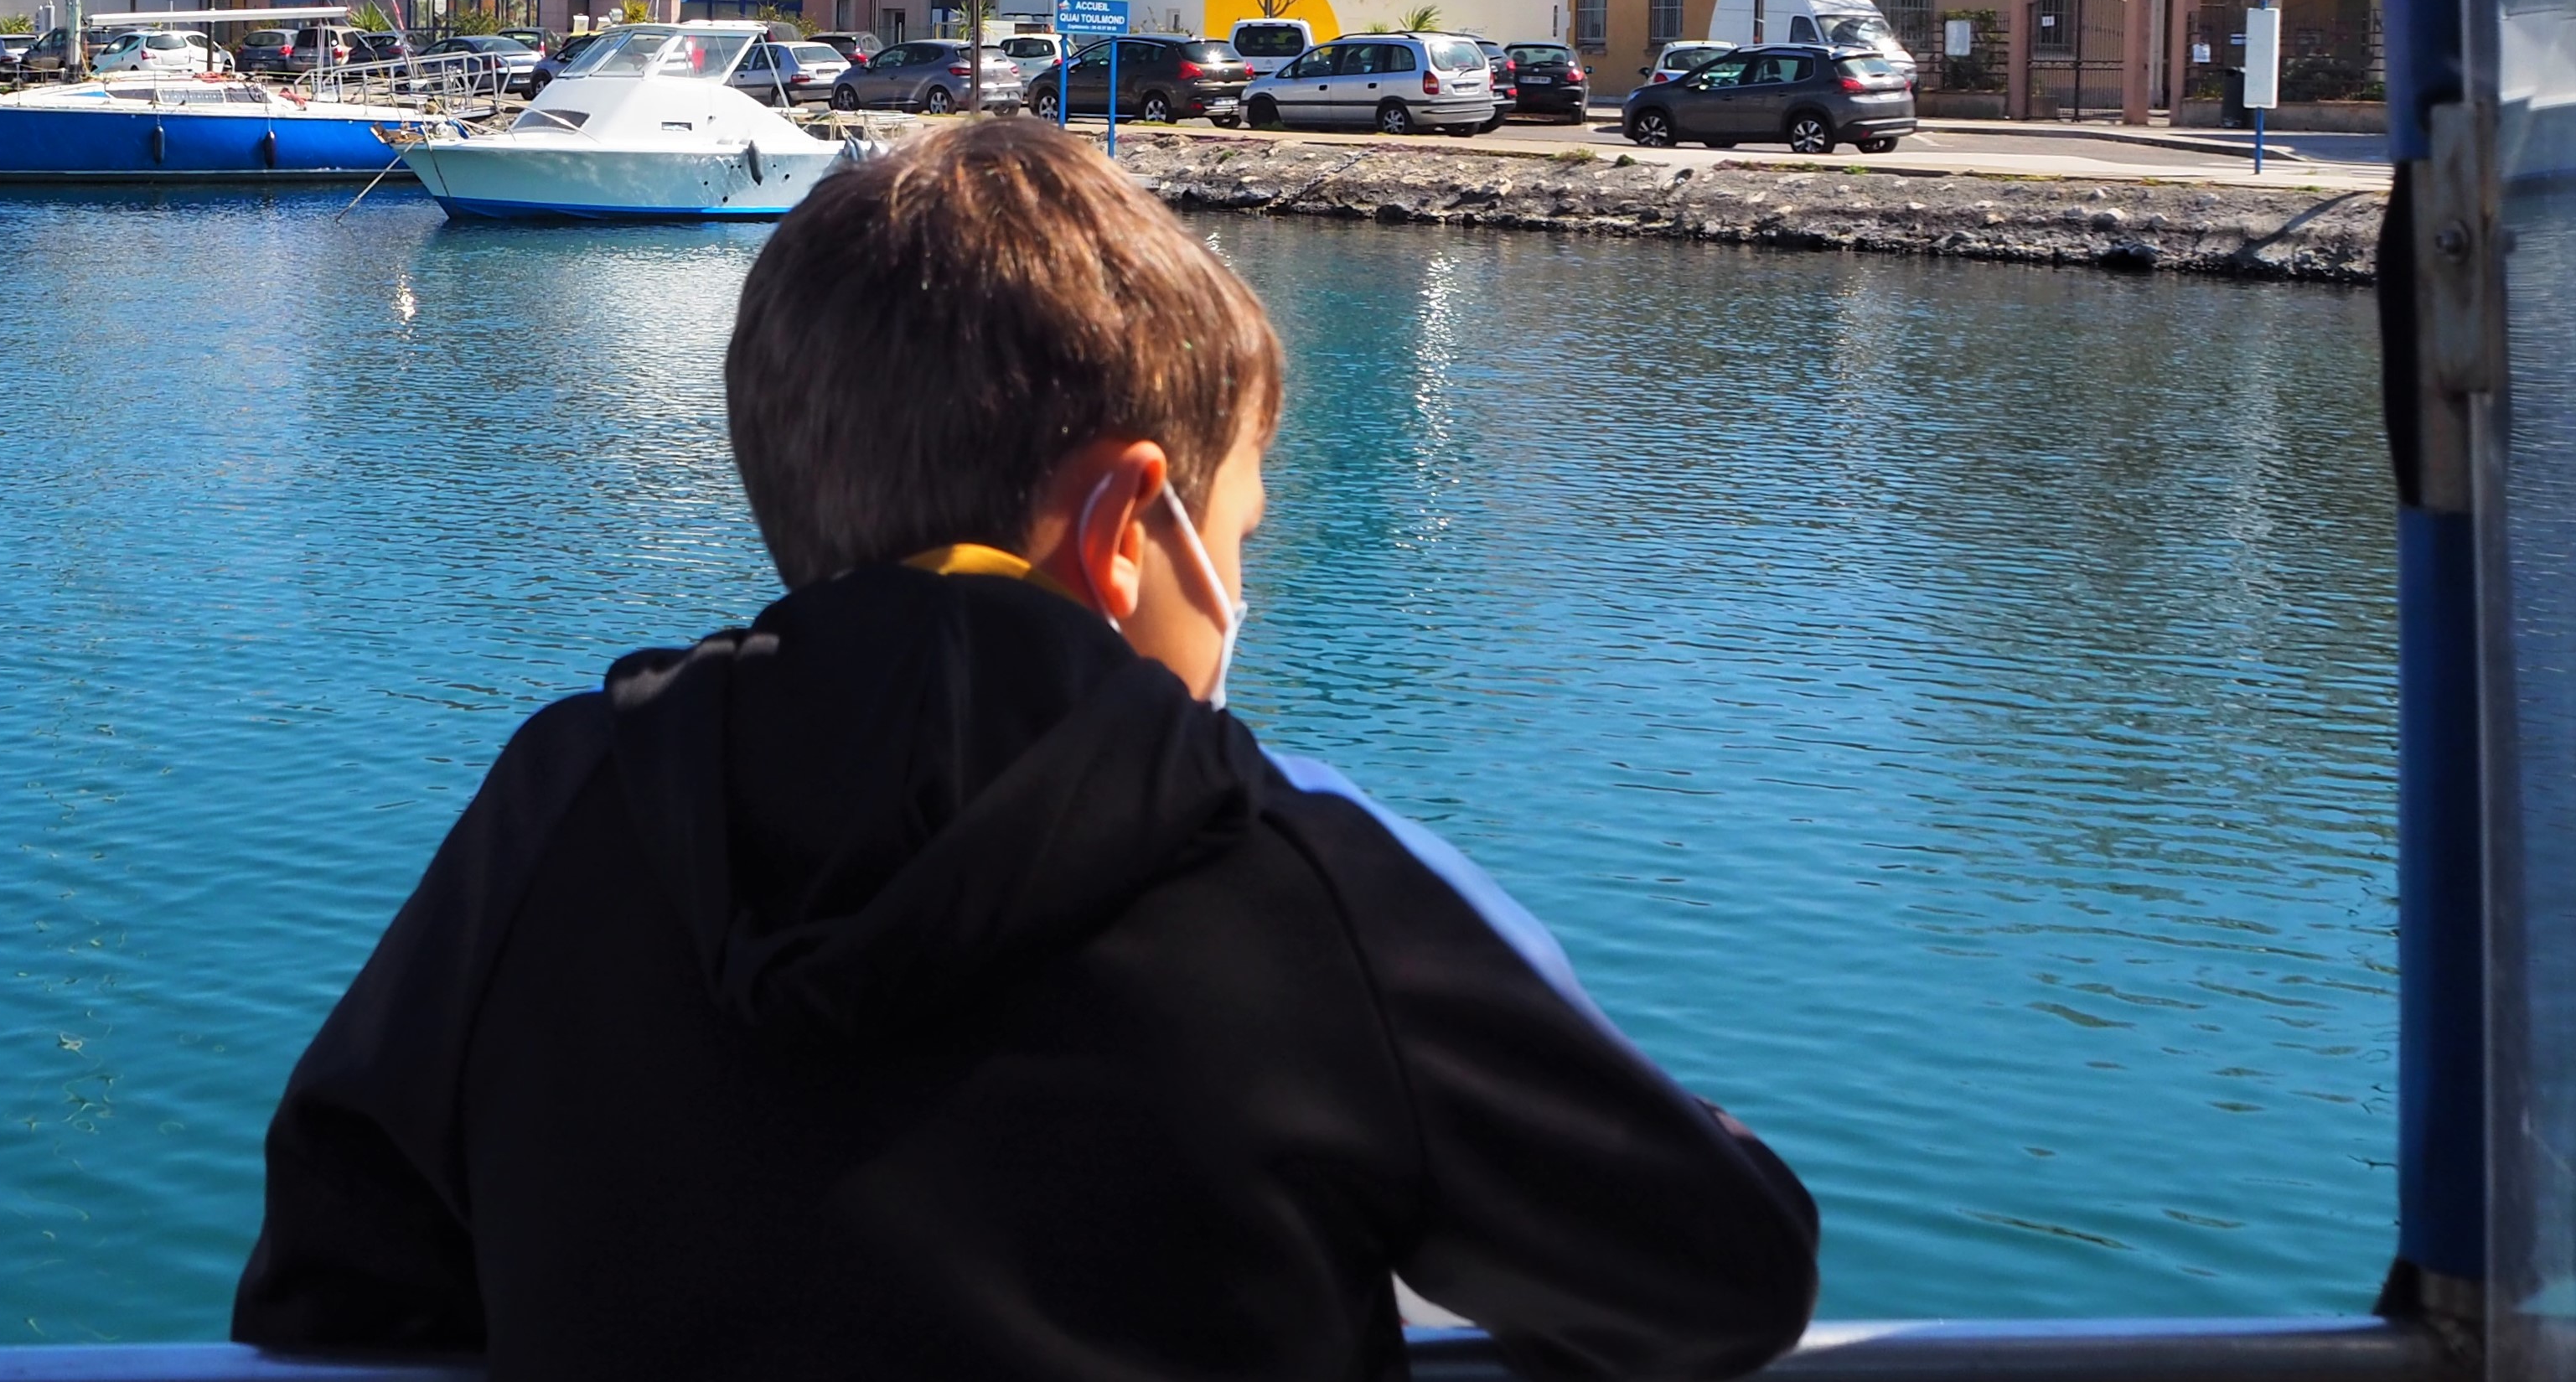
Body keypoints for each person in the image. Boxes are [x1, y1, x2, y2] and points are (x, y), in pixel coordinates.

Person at [233, 119, 1818, 1380]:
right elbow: (1713, 1284)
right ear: (1129, 527)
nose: (1242, 582)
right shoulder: (1271, 863)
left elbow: (335, 1285)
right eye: (1244, 530)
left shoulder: (566, 802)